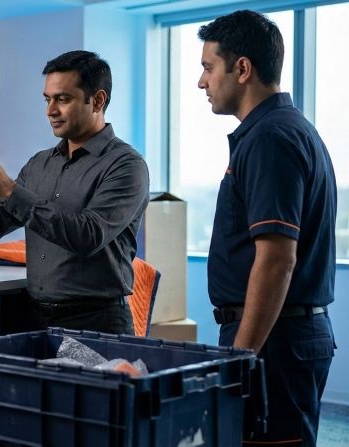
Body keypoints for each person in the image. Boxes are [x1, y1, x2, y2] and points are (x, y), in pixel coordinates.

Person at [0, 50, 149, 335]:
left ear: (97, 100)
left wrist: (10, 190)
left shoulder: (126, 165)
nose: (51, 111)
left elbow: (88, 236)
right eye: (48, 99)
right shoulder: (39, 164)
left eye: (63, 99)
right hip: (35, 318)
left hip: (96, 322)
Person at [198, 10, 336, 446]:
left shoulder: (270, 138)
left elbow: (276, 258)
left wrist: (241, 357)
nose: (201, 82)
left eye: (207, 67)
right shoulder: (282, 130)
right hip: (279, 338)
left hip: (274, 344)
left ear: (242, 69)